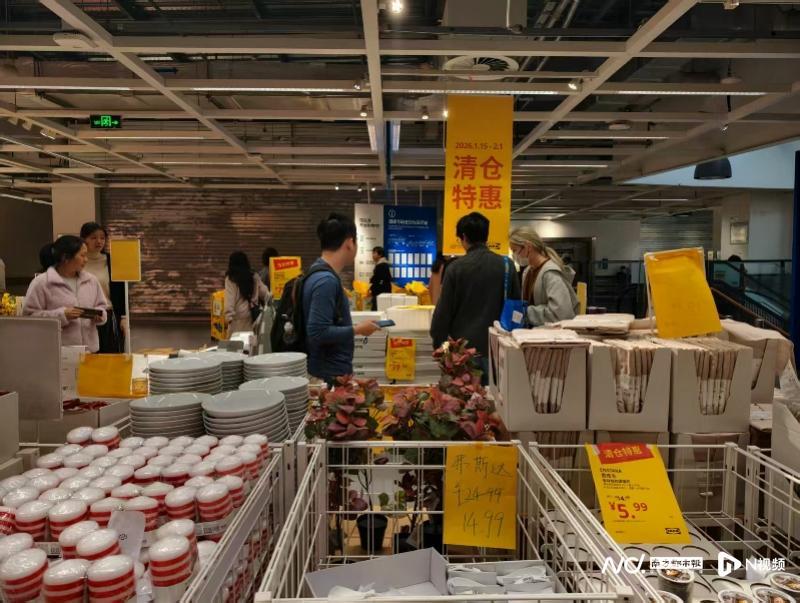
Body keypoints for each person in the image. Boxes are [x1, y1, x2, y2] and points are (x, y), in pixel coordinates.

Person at [430, 212, 520, 376]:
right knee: (497, 392)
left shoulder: (456, 268)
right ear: (486, 235)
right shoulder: (507, 265)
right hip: (499, 349)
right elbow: (516, 308)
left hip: (463, 353)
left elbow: (443, 313)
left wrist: (441, 346)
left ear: (464, 236)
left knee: (466, 391)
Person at [303, 213, 380, 383]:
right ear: (350, 243)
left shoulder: (317, 272)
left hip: (327, 371)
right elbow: (318, 332)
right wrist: (357, 329)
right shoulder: (326, 281)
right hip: (330, 376)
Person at [23, 235, 107, 352]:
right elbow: (29, 317)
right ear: (65, 257)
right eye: (82, 255)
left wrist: (100, 315)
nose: (86, 260)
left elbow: (102, 306)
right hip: (57, 352)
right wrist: (62, 315)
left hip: (89, 351)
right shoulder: (42, 282)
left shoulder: (91, 280)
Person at [508, 226, 579, 326]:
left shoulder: (551, 274)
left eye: (515, 250)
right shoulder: (528, 272)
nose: (514, 256)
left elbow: (561, 314)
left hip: (551, 333)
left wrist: (526, 311)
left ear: (528, 247)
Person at [80, 222, 127, 353]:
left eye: (102, 238)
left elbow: (121, 291)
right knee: (87, 357)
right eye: (93, 238)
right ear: (84, 239)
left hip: (107, 314)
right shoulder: (78, 261)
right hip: (83, 316)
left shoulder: (111, 261)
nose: (99, 241)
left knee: (110, 356)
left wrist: (123, 318)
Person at [225, 251, 270, 334]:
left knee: (237, 340)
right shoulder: (254, 276)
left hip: (238, 317)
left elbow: (229, 298)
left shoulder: (231, 278)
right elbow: (265, 293)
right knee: (251, 339)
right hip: (253, 314)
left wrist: (228, 316)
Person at [369, 246, 392, 310]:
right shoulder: (382, 264)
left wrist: (373, 285)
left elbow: (380, 280)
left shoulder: (382, 265)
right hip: (382, 293)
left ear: (380, 254)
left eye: (374, 253)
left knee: (377, 310)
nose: (372, 255)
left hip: (380, 294)